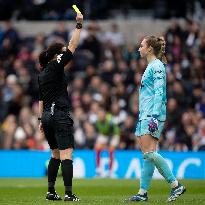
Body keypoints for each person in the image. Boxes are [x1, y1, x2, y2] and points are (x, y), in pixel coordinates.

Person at [127, 36, 186, 202]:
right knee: (147, 155)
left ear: (150, 49)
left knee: (150, 153)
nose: (139, 48)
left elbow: (160, 92)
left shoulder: (157, 66)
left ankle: (176, 185)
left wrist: (154, 115)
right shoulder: (150, 66)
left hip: (151, 115)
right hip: (145, 114)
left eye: (141, 46)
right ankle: (142, 192)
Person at [38, 12, 83, 201]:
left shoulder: (41, 74)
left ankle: (50, 191)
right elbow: (72, 46)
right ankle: (69, 194)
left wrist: (41, 119)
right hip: (59, 114)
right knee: (66, 154)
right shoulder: (56, 66)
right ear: (57, 56)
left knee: (54, 154)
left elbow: (41, 99)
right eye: (61, 53)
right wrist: (79, 25)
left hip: (47, 116)